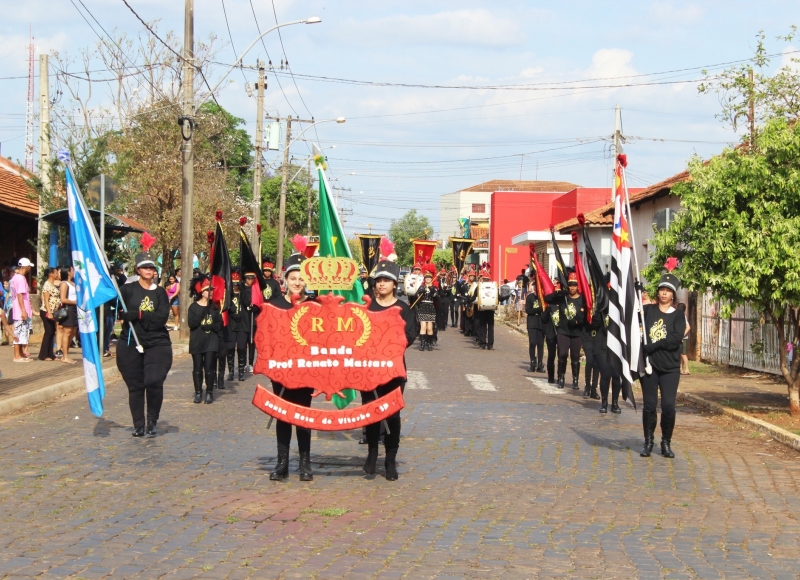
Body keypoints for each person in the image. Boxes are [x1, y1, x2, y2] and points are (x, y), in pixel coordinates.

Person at [362, 259, 417, 480]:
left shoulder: (403, 309)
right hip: (367, 372)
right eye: (379, 280)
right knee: (371, 413)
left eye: (387, 280)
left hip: (394, 372)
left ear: (395, 284)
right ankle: (372, 454)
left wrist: (389, 346)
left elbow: (410, 336)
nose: (382, 284)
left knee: (392, 415)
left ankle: (390, 459)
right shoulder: (365, 306)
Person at [117, 244, 172, 437]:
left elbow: (161, 318)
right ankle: (138, 424)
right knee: (136, 385)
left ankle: (152, 420)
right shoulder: (127, 289)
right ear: (137, 270)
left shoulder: (160, 293)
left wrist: (139, 315)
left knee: (153, 380)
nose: (149, 270)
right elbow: (118, 310)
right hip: (130, 342)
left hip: (157, 343)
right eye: (145, 267)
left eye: (151, 267)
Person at [269, 252, 316, 482]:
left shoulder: (315, 305)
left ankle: (305, 463)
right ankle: (282, 463)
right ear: (285, 279)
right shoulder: (274, 305)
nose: (297, 282)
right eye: (293, 278)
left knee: (303, 416)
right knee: (283, 416)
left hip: (306, 371)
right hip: (280, 370)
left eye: (301, 278)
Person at [639, 273, 686, 458]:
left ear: (673, 295)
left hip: (670, 368)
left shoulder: (678, 315)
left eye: (668, 291)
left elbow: (674, 340)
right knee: (649, 406)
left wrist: (654, 345)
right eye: (662, 290)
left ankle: (666, 442)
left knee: (668, 406)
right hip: (651, 367)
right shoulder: (648, 311)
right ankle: (648, 441)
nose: (664, 293)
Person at [188, 275, 221, 404]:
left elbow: (219, 325)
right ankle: (198, 392)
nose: (211, 292)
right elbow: (192, 323)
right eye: (208, 290)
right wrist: (203, 311)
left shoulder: (215, 307)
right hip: (197, 342)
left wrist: (212, 325)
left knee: (209, 368)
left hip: (211, 342)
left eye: (212, 290)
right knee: (197, 368)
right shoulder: (193, 307)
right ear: (202, 292)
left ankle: (209, 392)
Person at [554, 271, 585, 389]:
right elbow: (550, 298)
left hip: (576, 332)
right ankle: (561, 377)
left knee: (575, 356)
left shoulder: (582, 299)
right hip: (563, 330)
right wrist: (561, 292)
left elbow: (584, 316)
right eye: (570, 285)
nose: (572, 287)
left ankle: (575, 380)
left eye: (574, 285)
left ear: (578, 286)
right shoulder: (564, 298)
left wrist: (577, 321)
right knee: (562, 354)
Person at [226, 271, 249, 382]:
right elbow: (225, 306)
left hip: (242, 324)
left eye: (237, 283)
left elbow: (248, 302)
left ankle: (241, 371)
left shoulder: (244, 293)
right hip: (231, 325)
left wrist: (242, 290)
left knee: (241, 348)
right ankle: (231, 371)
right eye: (233, 283)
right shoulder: (228, 295)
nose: (235, 285)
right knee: (230, 348)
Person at [10, 258, 33, 363]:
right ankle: (16, 356)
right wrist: (23, 310)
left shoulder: (15, 277)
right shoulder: (20, 278)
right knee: (19, 333)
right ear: (26, 267)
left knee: (21, 333)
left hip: (18, 310)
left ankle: (19, 354)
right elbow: (20, 295)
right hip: (20, 311)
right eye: (29, 267)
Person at [58, 265, 79, 365]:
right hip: (68, 309)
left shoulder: (73, 283)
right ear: (68, 272)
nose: (74, 271)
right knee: (67, 332)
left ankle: (65, 354)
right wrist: (75, 302)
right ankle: (65, 355)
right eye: (72, 270)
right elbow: (63, 299)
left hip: (75, 310)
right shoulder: (64, 284)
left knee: (73, 331)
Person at [38, 267, 60, 361]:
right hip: (46, 311)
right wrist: (49, 312)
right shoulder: (47, 285)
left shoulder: (53, 284)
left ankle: (50, 354)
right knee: (48, 332)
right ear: (50, 274)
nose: (57, 274)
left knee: (52, 332)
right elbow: (46, 300)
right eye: (55, 273)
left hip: (53, 311)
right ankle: (43, 355)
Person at [541, 279, 561, 384]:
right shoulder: (549, 305)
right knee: (551, 355)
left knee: (562, 355)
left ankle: (560, 377)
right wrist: (546, 312)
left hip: (562, 333)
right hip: (551, 334)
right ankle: (551, 376)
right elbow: (543, 320)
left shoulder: (564, 304)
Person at [471, 269, 495, 350]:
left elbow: (497, 296)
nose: (485, 281)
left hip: (490, 309)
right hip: (482, 309)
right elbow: (474, 297)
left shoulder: (493, 286)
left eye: (487, 279)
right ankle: (483, 342)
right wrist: (468, 300)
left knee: (489, 326)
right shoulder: (479, 286)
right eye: (485, 279)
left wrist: (503, 297)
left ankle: (488, 343)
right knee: (482, 326)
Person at [413, 270, 437, 351]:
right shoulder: (421, 287)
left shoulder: (434, 288)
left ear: (431, 279)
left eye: (429, 278)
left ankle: (429, 343)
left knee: (429, 328)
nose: (428, 279)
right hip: (423, 307)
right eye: (426, 278)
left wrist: (431, 289)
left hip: (430, 307)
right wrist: (421, 292)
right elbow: (416, 295)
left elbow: (435, 296)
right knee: (423, 326)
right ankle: (422, 344)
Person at [524, 283, 545, 372]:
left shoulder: (543, 298)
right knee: (532, 342)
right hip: (532, 323)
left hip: (541, 323)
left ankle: (540, 364)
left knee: (540, 344)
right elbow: (528, 310)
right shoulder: (530, 297)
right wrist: (538, 310)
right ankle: (533, 362)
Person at [678, 302, 691, 375]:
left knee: (683, 354)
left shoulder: (683, 316)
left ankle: (687, 369)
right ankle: (681, 369)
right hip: (680, 338)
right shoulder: (680, 315)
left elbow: (688, 327)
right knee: (680, 353)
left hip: (684, 338)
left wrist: (682, 335)